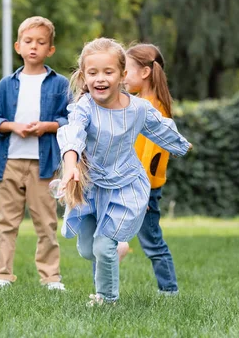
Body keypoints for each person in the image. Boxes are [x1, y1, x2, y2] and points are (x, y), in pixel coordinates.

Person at [57, 38, 191, 306]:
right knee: (87, 250)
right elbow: (73, 133)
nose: (100, 79)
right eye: (92, 73)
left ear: (122, 75)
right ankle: (115, 247)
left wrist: (182, 145)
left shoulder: (138, 109)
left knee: (102, 246)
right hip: (91, 185)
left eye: (108, 72)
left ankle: (107, 300)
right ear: (84, 76)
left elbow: (160, 127)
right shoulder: (85, 107)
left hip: (125, 186)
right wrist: (70, 165)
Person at [0, 16, 70, 291]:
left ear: (50, 50)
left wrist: (47, 127)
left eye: (41, 42)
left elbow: (71, 121)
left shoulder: (60, 84)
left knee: (46, 223)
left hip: (43, 166)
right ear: (18, 46)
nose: (34, 47)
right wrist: (13, 127)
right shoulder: (6, 84)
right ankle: (2, 275)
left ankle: (51, 277)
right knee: (6, 223)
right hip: (9, 163)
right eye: (29, 42)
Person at [119, 43, 192, 295]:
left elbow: (152, 158)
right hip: (130, 184)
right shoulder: (136, 103)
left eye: (125, 70)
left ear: (145, 72)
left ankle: (169, 291)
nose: (122, 76)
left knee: (152, 242)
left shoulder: (153, 108)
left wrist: (143, 191)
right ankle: (106, 288)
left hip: (143, 188)